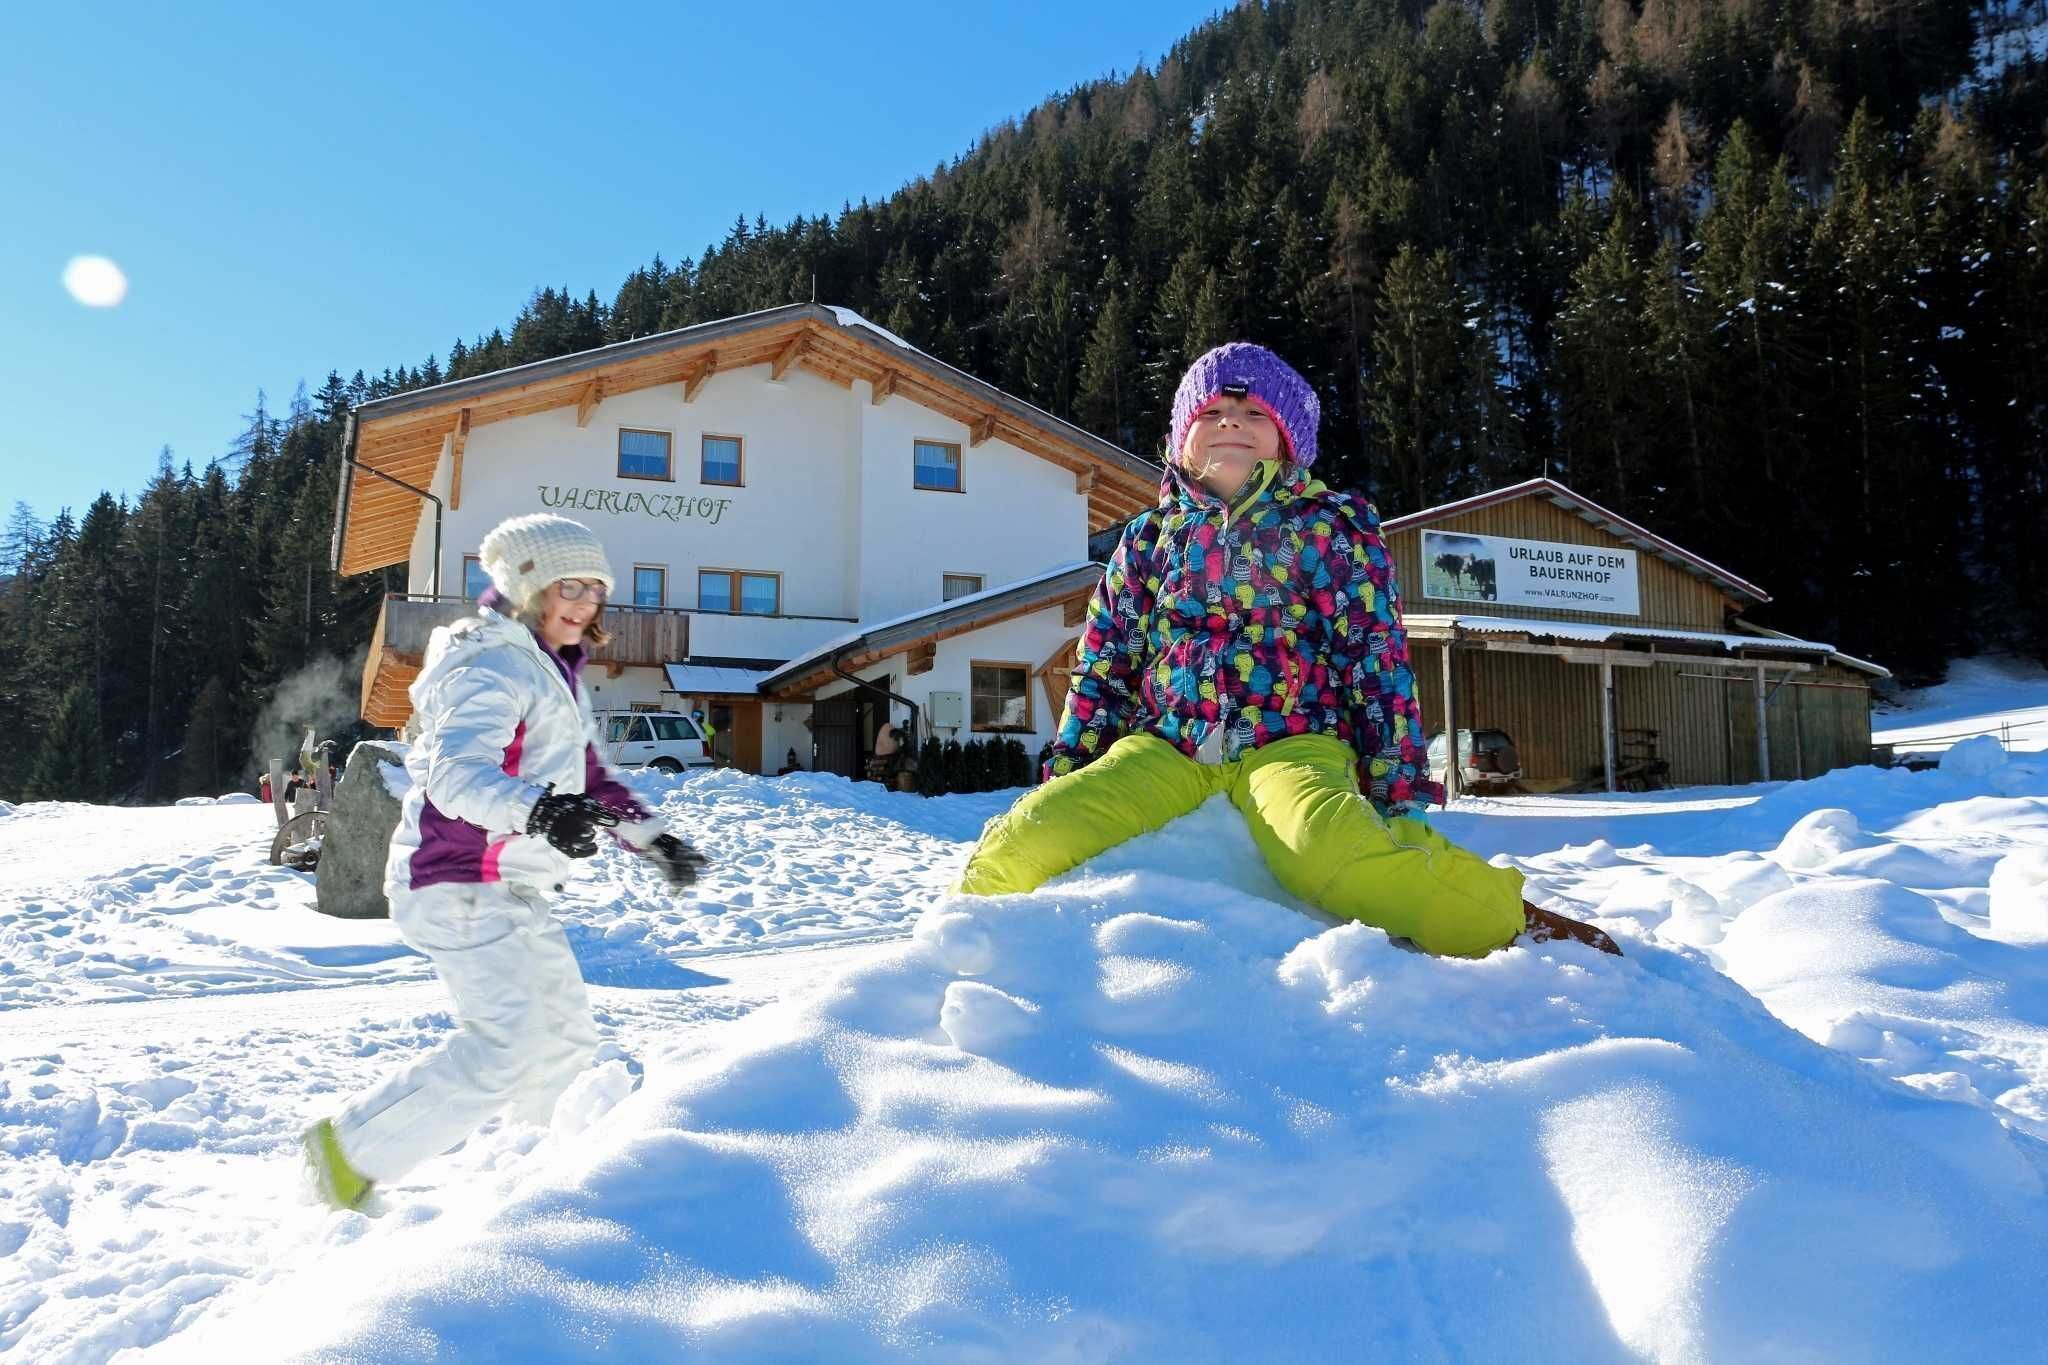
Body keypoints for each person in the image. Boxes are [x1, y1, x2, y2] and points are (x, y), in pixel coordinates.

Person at [956, 343, 1616, 959]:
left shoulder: (1326, 529)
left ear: (1289, 439)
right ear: (1181, 439)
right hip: (1166, 747)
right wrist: (1074, 764)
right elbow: (1105, 663)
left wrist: (1396, 784)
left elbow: (1374, 658)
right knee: (1024, 837)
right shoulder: (1148, 539)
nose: (1230, 423)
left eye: (1254, 414)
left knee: (1329, 852)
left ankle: (1499, 916)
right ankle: (964, 947)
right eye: (1210, 412)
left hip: (1294, 742)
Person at [302, 513, 709, 1211]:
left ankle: (540, 1183)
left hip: (510, 888)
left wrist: (652, 839)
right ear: (527, 586)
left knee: (566, 1042)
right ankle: (348, 1153)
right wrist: (540, 811)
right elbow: (455, 775)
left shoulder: (548, 671)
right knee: (507, 1047)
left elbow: (591, 778)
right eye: (570, 585)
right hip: (457, 880)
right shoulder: (489, 664)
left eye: (597, 589)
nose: (586, 603)